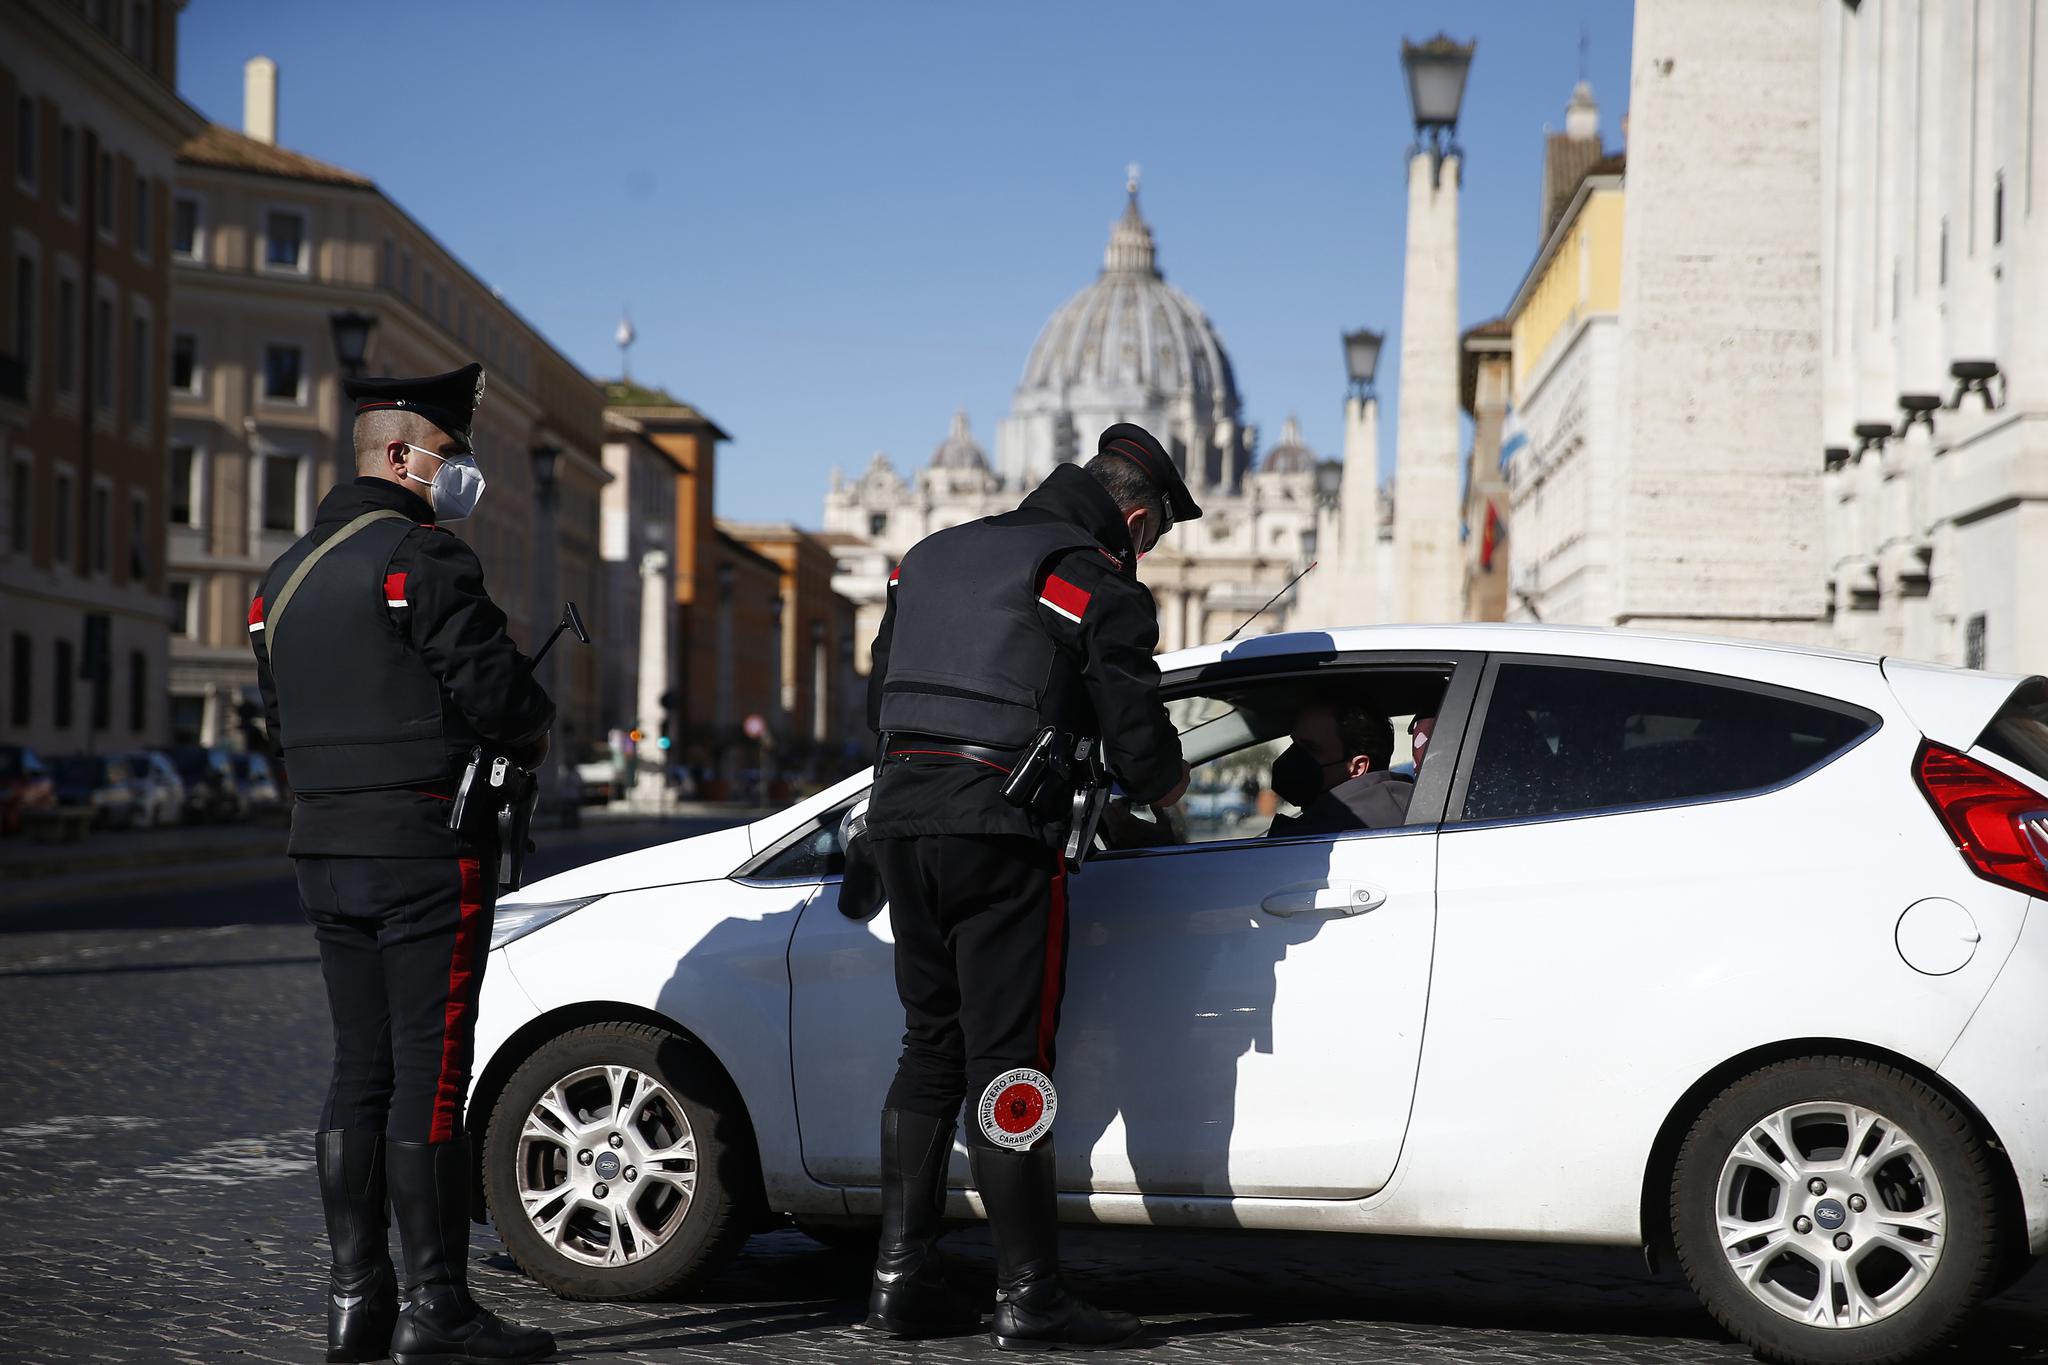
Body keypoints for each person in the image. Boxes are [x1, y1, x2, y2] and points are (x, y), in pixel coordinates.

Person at [861, 422, 1195, 1350]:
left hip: (900, 822)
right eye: (1154, 535)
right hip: (1000, 836)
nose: (1146, 550)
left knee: (929, 1047)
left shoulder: (930, 557)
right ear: (1135, 517)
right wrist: (1167, 787)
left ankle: (898, 1283)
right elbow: (1134, 726)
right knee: (1011, 1060)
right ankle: (1031, 1293)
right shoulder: (1090, 575)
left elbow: (878, 693)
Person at [251, 364, 557, 1365]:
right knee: (429, 1080)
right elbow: (504, 702)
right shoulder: (425, 561)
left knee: (358, 1073)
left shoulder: (282, 577)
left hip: (322, 846)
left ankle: (356, 1301)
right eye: (450, 454)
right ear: (401, 455)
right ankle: (436, 1309)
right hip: (424, 848)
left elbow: (277, 724)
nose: (460, 472)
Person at [1266, 696, 1412, 837]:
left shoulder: (1321, 832)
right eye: (1295, 744)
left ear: (1358, 767)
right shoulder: (1407, 803)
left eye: (1311, 748)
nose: (1294, 756)